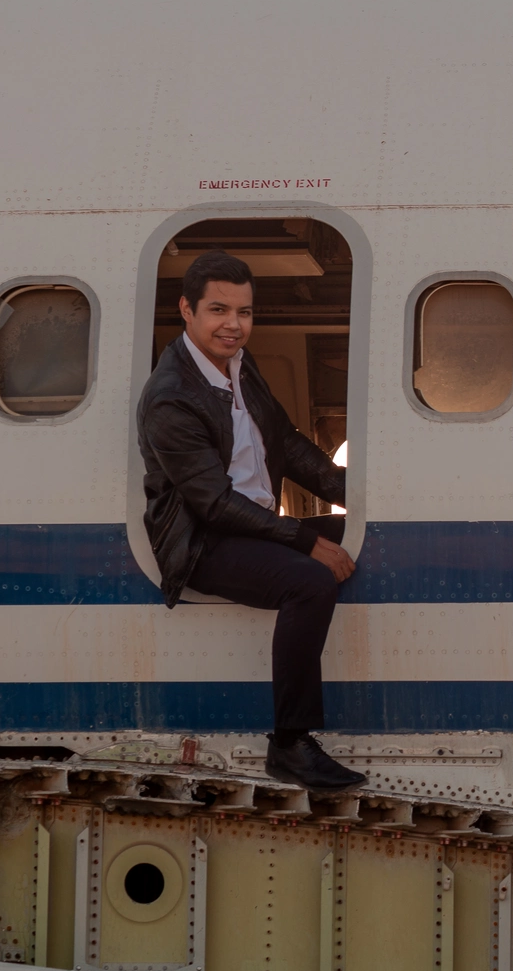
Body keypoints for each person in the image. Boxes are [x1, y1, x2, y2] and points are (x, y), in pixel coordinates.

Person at [137, 250, 364, 790]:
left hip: (254, 524)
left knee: (370, 538)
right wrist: (305, 540)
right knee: (308, 582)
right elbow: (212, 503)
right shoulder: (171, 396)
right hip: (203, 543)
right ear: (186, 310)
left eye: (244, 312)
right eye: (219, 310)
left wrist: (354, 495)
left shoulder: (240, 365)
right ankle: (290, 743)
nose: (233, 325)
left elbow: (284, 440)